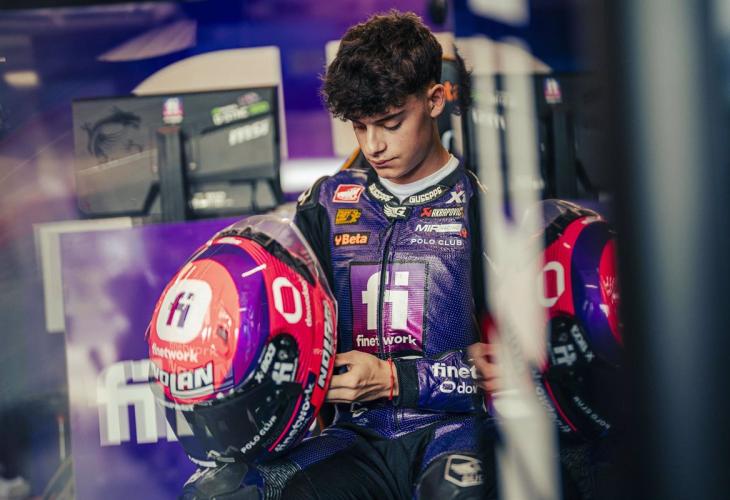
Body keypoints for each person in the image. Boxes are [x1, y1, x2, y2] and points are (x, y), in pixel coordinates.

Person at [181, 10, 499, 499]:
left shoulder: (485, 208)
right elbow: (273, 318)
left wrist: (394, 379)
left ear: (435, 100)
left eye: (390, 123)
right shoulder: (326, 205)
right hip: (352, 438)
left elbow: (518, 367)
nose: (374, 145)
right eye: (359, 127)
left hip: (454, 434)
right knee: (226, 493)